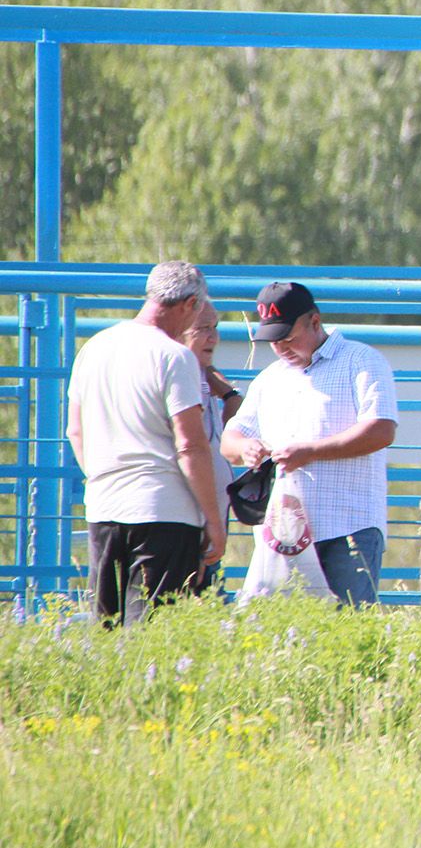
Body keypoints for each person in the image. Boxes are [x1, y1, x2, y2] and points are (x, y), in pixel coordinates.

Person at [64, 260, 226, 625]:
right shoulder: (175, 357)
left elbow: (75, 429)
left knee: (106, 627)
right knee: (153, 633)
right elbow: (190, 445)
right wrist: (213, 520)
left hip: (104, 506)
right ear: (188, 304)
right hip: (164, 511)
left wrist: (102, 476)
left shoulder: (95, 347)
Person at [222, 282, 399, 605]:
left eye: (288, 338)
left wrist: (311, 452)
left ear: (315, 322)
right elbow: (230, 439)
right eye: (274, 341)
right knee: (279, 631)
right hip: (285, 531)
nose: (280, 348)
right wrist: (245, 448)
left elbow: (381, 430)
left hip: (349, 526)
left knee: (350, 632)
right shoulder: (270, 378)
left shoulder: (362, 362)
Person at [179, 298, 242, 596]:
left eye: (215, 327)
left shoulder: (200, 376)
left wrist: (229, 394)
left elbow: (231, 425)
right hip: (189, 522)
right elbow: (188, 454)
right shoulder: (179, 379)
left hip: (208, 517)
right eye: (203, 328)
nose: (213, 337)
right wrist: (204, 525)